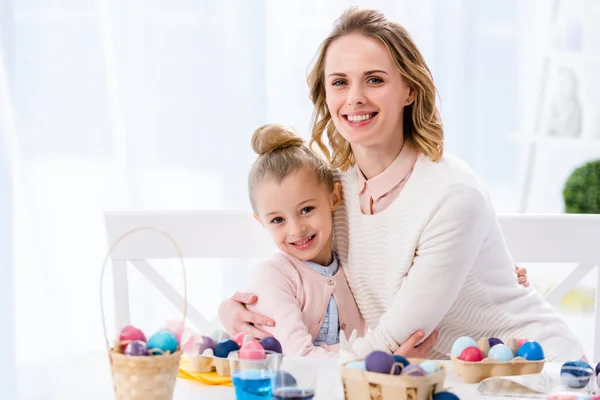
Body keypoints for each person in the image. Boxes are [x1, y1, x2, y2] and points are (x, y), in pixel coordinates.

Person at [220, 7, 582, 362]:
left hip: (534, 370)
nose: (355, 97)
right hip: (421, 378)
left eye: (374, 79)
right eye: (340, 82)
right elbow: (297, 271)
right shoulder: (331, 191)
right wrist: (235, 315)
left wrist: (322, 365)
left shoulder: (453, 195)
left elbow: (396, 339)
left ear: (409, 89)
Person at [242, 123, 436, 357]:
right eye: (277, 220)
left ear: (334, 197)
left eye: (306, 210)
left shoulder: (351, 268)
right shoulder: (272, 277)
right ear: (261, 221)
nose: (296, 229)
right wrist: (379, 360)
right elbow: (300, 358)